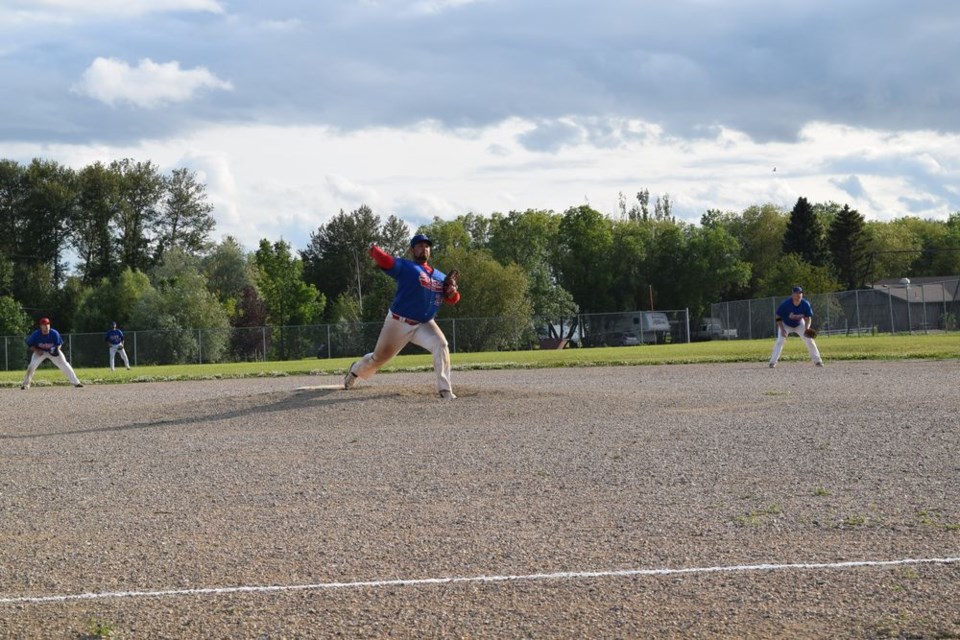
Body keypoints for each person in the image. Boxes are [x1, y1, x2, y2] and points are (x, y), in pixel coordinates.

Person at [344, 233, 461, 399]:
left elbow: (452, 300)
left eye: (427, 246)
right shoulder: (406, 267)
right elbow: (388, 262)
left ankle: (445, 390)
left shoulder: (440, 277)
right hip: (398, 322)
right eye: (420, 246)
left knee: (441, 344)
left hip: (425, 323)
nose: (424, 249)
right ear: (412, 250)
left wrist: (452, 292)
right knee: (378, 359)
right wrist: (375, 251)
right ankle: (355, 370)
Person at [768, 286, 824, 368]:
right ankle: (772, 362)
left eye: (800, 293)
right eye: (797, 293)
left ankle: (818, 361)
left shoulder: (805, 304)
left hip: (799, 324)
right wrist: (782, 329)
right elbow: (778, 316)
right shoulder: (786, 304)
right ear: (792, 294)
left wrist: (807, 328)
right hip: (785, 324)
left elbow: (808, 317)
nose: (799, 295)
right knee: (780, 340)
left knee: (809, 340)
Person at [22, 317, 84, 389]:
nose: (46, 326)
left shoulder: (54, 333)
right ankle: (26, 384)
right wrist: (37, 351)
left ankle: (76, 383)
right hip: (40, 352)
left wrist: (56, 350)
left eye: (48, 324)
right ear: (41, 326)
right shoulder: (36, 335)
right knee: (31, 366)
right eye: (44, 324)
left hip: (53, 351)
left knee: (65, 364)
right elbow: (30, 345)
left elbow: (59, 344)